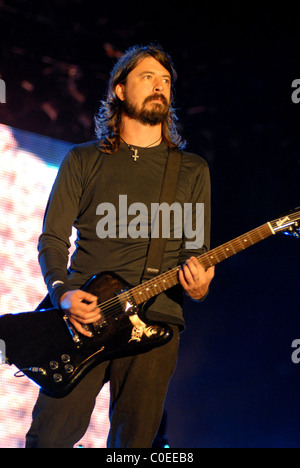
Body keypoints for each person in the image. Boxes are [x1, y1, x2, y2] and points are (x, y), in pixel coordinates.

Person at [25, 44, 214, 448]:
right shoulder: (82, 160)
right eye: (148, 77)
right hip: (83, 316)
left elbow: (194, 256)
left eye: (166, 81)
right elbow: (53, 239)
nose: (160, 86)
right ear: (120, 90)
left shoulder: (192, 170)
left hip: (156, 320)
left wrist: (199, 287)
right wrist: (62, 294)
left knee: (134, 447)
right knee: (49, 439)